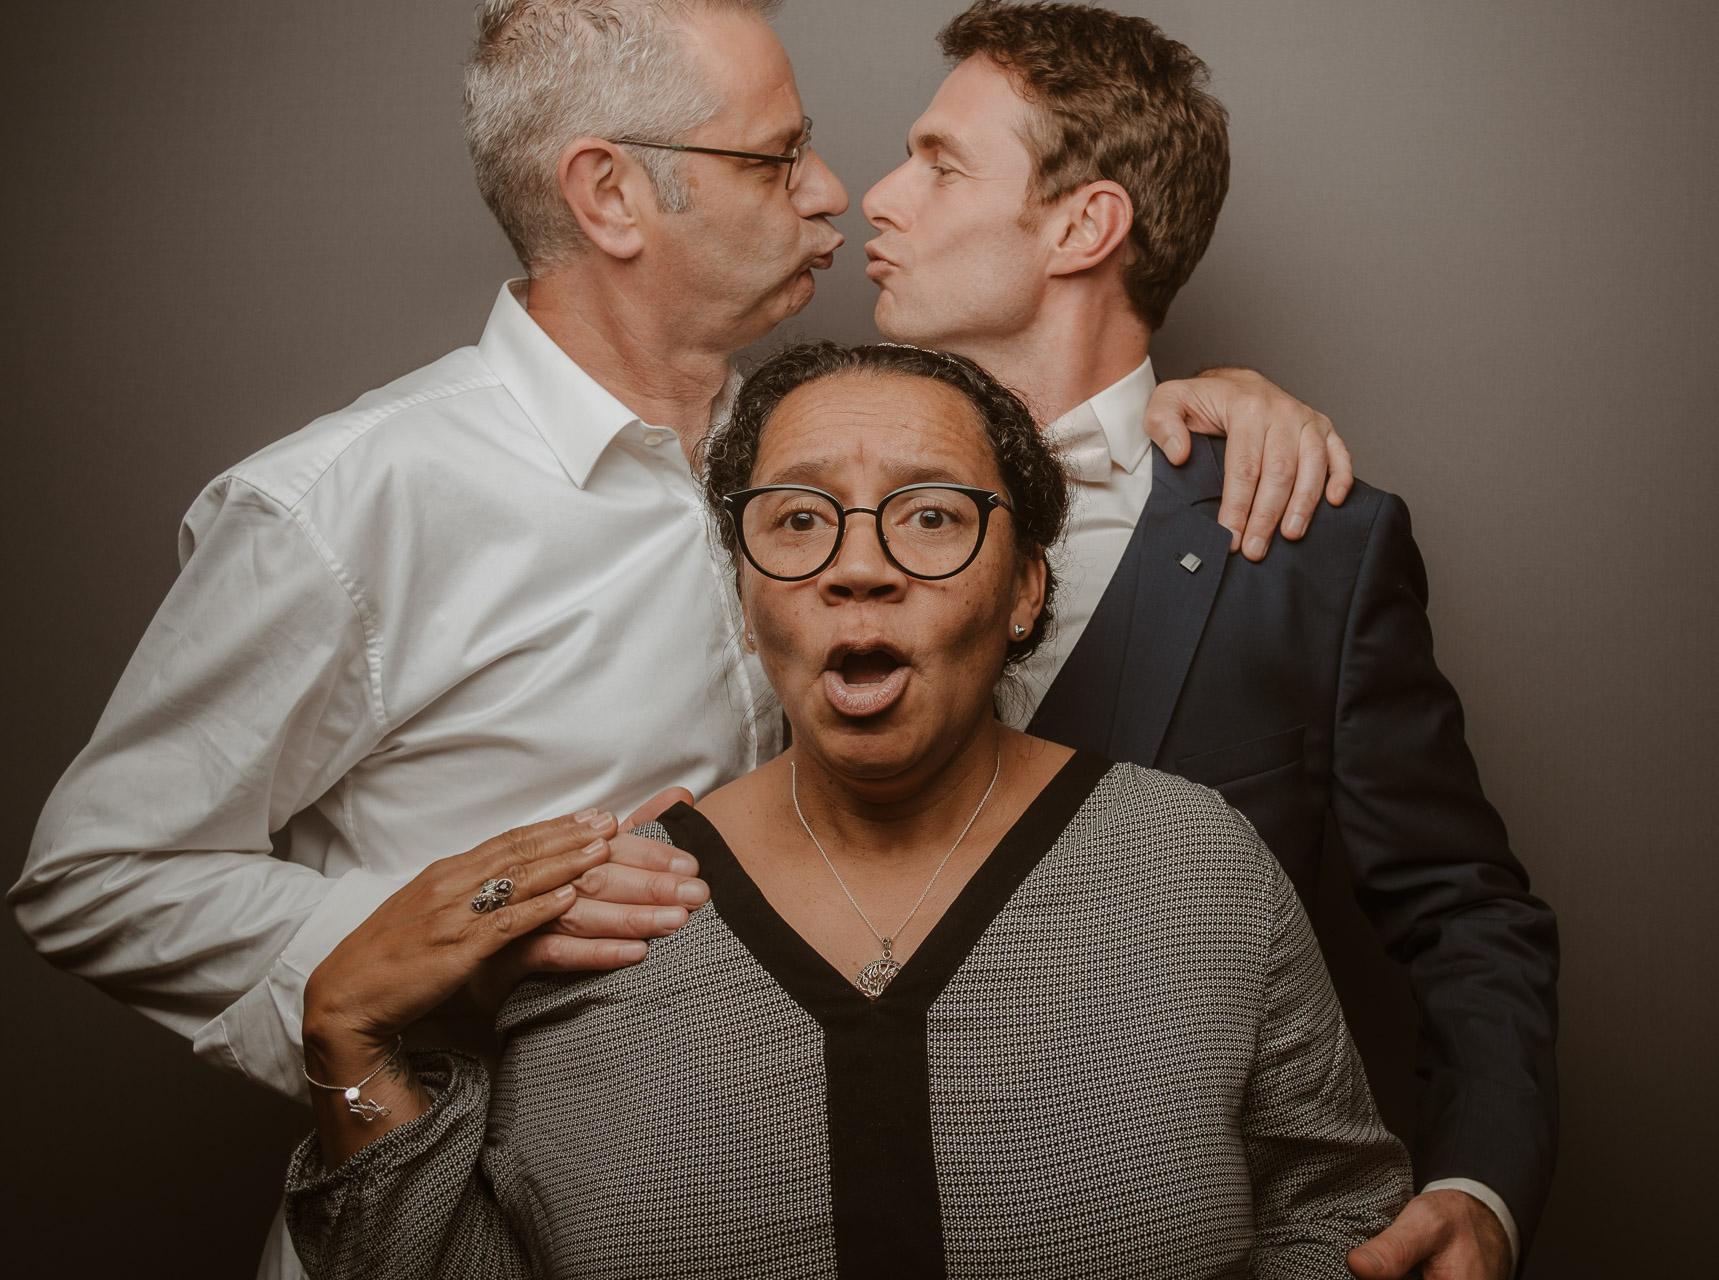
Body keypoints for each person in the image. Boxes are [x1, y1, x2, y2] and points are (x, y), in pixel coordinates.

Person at [10, 3, 1352, 1275]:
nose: (835, 190)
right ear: (610, 196)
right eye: (776, 159)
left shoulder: (798, 439)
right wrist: (440, 936)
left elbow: (994, 446)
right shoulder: (352, 503)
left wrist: (1204, 411)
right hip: (446, 1224)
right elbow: (97, 872)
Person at [281, 341, 1411, 1277]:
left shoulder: (1194, 866)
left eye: (928, 517)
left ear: (1024, 587)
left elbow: (1329, 1210)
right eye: (796, 518)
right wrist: (347, 1040)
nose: (856, 567)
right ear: (743, 590)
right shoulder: (600, 921)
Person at [857, 5, 1562, 1277]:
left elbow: (1463, 910)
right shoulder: (805, 513)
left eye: (940, 161)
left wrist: (1478, 1187)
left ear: (1084, 226)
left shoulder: (1310, 545)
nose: (880, 196)